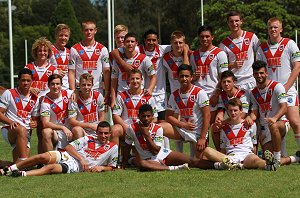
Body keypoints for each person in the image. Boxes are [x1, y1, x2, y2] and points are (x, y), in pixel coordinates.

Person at [123, 104, 230, 171]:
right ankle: (174, 168)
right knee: (142, 164)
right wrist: (124, 162)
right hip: (148, 160)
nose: (146, 119)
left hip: (162, 154)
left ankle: (218, 165)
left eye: (148, 116)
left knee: (192, 161)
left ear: (152, 116)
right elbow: (127, 145)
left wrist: (146, 135)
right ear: (138, 116)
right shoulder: (131, 128)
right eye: (143, 116)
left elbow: (156, 151)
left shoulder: (158, 129)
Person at [0, 121, 118, 177]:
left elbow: (113, 167)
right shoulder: (89, 138)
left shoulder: (113, 147)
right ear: (96, 132)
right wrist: (81, 158)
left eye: (106, 133)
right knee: (43, 156)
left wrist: (102, 167)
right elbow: (69, 147)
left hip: (76, 166)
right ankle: (10, 168)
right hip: (70, 156)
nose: (103, 136)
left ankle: (21, 174)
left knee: (50, 168)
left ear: (110, 133)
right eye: (100, 133)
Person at [256, 17, 300, 152]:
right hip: (270, 92)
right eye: (270, 27)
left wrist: (286, 86)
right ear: (267, 30)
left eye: (275, 27)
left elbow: (297, 67)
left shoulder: (289, 43)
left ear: (281, 29)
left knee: (295, 121)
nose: (273, 30)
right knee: (275, 123)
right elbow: (259, 70)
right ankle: (282, 154)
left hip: (289, 90)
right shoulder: (261, 48)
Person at [203, 98, 278, 170]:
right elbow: (223, 149)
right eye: (230, 110)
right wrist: (221, 157)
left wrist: (254, 155)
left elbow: (254, 145)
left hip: (246, 155)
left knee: (255, 160)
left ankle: (267, 165)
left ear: (241, 111)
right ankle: (234, 165)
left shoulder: (250, 124)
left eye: (235, 110)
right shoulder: (224, 128)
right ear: (227, 111)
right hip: (230, 157)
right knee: (207, 150)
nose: (233, 113)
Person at [246, 60, 288, 168]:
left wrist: (275, 118)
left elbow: (284, 107)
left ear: (266, 73)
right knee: (268, 156)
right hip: (265, 129)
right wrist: (249, 118)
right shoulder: (253, 93)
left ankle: (278, 159)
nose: (259, 75)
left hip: (280, 123)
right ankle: (293, 158)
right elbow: (255, 113)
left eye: (261, 73)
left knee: (273, 126)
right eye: (256, 73)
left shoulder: (277, 86)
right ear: (253, 74)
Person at [162, 64, 210, 157]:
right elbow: (168, 116)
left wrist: (203, 137)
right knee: (159, 128)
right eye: (181, 76)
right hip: (182, 130)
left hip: (197, 132)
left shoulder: (200, 92)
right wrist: (182, 124)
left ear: (192, 77)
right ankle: (160, 156)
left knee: (198, 161)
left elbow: (207, 115)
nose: (184, 79)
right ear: (177, 78)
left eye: (187, 76)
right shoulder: (174, 95)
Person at [0, 68, 40, 163]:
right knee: (21, 129)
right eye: (23, 80)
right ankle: (24, 160)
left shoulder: (35, 98)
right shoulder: (9, 93)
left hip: (26, 133)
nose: (25, 83)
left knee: (17, 165)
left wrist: (35, 123)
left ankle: (4, 164)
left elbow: (35, 119)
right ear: (18, 81)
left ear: (32, 81)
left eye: (28, 80)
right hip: (10, 129)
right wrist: (11, 122)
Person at [162, 31, 191, 154]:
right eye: (175, 43)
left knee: (190, 125)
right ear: (171, 44)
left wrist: (185, 53)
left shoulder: (190, 55)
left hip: (188, 95)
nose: (178, 45)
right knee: (176, 126)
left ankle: (193, 155)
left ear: (184, 44)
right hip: (174, 96)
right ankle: (179, 155)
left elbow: (186, 69)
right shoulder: (166, 58)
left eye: (181, 43)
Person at [110, 32, 156, 108]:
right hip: (121, 97)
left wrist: (150, 89)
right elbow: (114, 81)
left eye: (132, 41)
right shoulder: (117, 60)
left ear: (136, 43)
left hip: (139, 97)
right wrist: (113, 100)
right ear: (124, 43)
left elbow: (153, 76)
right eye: (127, 41)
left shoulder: (144, 58)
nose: (130, 44)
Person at [68, 20, 110, 102]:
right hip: (80, 89)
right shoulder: (74, 49)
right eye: (86, 30)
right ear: (82, 31)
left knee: (99, 114)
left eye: (91, 30)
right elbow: (71, 72)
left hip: (97, 89)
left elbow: (106, 71)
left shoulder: (103, 49)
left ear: (95, 31)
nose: (89, 32)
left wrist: (107, 91)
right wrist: (73, 91)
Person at [190, 25, 228, 114]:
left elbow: (224, 76)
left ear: (212, 37)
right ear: (199, 38)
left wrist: (216, 93)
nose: (204, 39)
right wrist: (194, 77)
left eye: (207, 36)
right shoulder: (193, 55)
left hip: (213, 94)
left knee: (212, 125)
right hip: (198, 94)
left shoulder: (220, 53)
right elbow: (191, 77)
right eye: (202, 37)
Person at [112, 70, 157, 144]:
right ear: (128, 80)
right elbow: (115, 115)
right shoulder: (121, 95)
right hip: (126, 128)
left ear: (142, 79)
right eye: (132, 79)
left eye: (137, 78)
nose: (135, 81)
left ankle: (158, 154)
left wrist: (144, 128)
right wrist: (127, 128)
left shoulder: (148, 97)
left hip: (143, 129)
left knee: (162, 127)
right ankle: (115, 155)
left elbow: (154, 118)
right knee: (115, 130)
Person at [219, 10, 260, 91]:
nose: (234, 24)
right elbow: (221, 67)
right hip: (235, 84)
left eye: (236, 21)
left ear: (241, 21)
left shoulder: (252, 37)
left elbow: (261, 56)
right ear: (228, 23)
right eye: (231, 21)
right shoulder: (223, 44)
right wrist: (233, 65)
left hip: (252, 81)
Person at [211, 70, 249, 151]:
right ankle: (220, 153)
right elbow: (221, 108)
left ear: (234, 82)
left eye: (228, 81)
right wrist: (219, 117)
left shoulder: (242, 95)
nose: (226, 84)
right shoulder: (222, 95)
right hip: (231, 120)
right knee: (214, 128)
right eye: (224, 82)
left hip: (243, 122)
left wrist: (223, 123)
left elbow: (243, 115)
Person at [40, 74, 73, 152]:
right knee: (46, 131)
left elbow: (80, 90)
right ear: (48, 86)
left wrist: (77, 92)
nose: (55, 87)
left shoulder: (67, 93)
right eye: (52, 84)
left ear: (61, 85)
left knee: (78, 129)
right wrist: (62, 128)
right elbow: (45, 123)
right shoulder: (45, 102)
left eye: (57, 84)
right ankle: (51, 159)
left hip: (71, 131)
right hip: (56, 133)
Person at [68, 73, 105, 140]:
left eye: (89, 85)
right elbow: (72, 121)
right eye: (83, 85)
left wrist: (99, 128)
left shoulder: (98, 96)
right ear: (79, 85)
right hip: (82, 129)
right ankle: (80, 149)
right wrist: (89, 125)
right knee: (77, 129)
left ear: (92, 85)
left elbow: (102, 116)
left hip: (95, 128)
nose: (86, 87)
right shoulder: (74, 98)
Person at [49, 24, 71, 90]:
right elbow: (41, 67)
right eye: (61, 35)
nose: (63, 38)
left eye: (66, 36)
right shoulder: (49, 50)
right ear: (56, 36)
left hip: (66, 89)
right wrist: (55, 71)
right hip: (52, 89)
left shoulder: (69, 51)